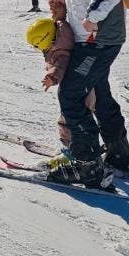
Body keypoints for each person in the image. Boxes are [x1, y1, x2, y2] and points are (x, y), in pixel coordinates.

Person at [47, 0, 129, 188]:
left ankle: (87, 166)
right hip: (90, 37)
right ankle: (118, 154)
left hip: (97, 40)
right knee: (101, 93)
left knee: (71, 94)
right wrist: (65, 8)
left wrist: (93, 15)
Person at [26, 14, 95, 159]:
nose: (37, 49)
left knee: (68, 118)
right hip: (86, 85)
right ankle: (88, 148)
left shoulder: (59, 50)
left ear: (44, 40)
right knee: (82, 116)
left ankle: (72, 150)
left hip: (78, 88)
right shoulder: (62, 34)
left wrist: (52, 77)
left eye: (37, 46)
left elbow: (60, 66)